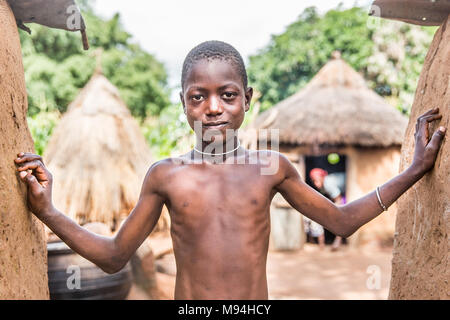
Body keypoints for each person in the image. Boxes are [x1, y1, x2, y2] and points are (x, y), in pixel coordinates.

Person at [14, 41, 446, 300]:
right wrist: (48, 211)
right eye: (198, 96)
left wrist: (414, 168)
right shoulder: (165, 175)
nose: (213, 107)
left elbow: (342, 221)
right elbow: (113, 257)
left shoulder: (271, 168)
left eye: (227, 94)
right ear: (183, 103)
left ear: (247, 99)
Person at [308, 168, 346, 251]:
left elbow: (338, 199)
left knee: (340, 216)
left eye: (317, 180)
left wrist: (332, 212)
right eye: (314, 181)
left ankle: (338, 241)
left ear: (322, 177)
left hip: (344, 195)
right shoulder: (324, 185)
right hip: (342, 194)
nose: (316, 183)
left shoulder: (327, 183)